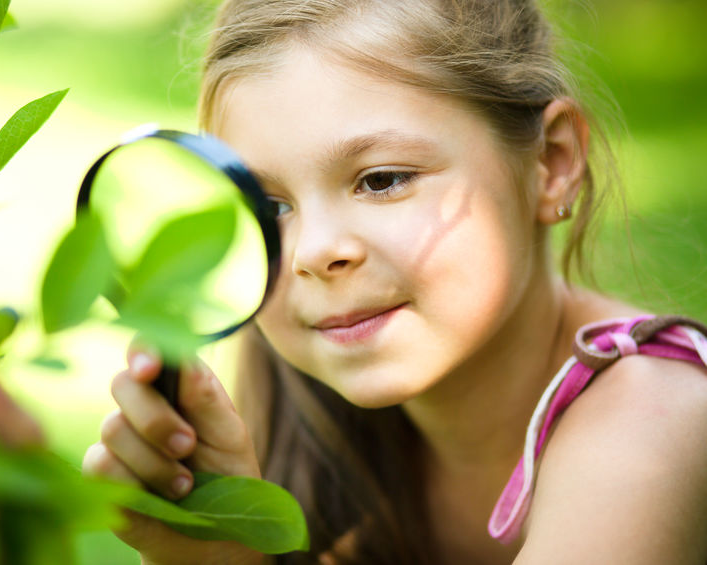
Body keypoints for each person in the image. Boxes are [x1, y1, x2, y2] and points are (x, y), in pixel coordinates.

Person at [82, 1, 707, 563]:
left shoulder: (656, 425)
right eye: (270, 209)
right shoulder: (327, 429)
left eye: (381, 180)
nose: (314, 253)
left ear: (552, 163)